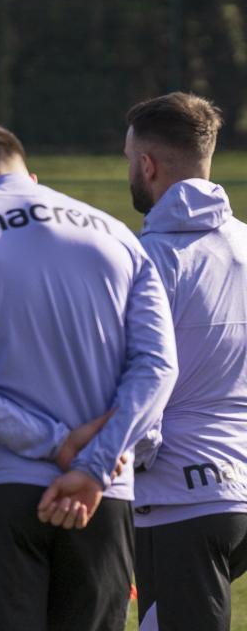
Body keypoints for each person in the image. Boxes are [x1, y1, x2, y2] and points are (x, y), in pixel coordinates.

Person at [0, 122, 177, 631]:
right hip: (103, 495)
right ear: (29, 174)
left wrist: (56, 445)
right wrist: (93, 467)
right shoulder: (118, 235)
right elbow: (159, 367)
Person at [123, 92, 247, 631]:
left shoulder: (144, 259)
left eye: (129, 160)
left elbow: (137, 381)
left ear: (147, 164)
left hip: (178, 498)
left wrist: (131, 456)